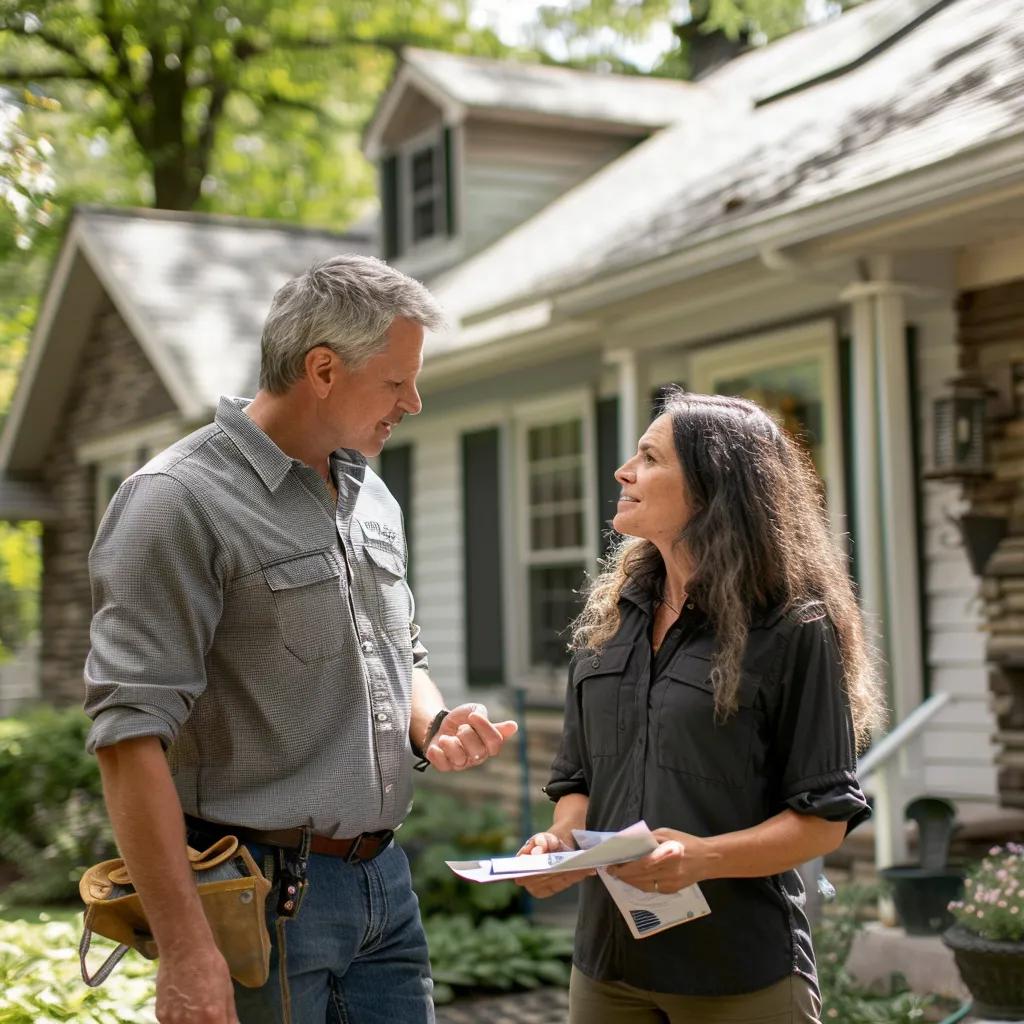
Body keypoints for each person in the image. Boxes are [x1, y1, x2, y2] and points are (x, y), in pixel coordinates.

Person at [83, 254, 517, 1024]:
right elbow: (128, 738)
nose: (413, 402)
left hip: (385, 884)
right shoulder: (175, 501)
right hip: (259, 898)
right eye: (396, 382)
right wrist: (186, 950)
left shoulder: (370, 494)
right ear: (322, 369)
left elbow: (399, 653)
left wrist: (436, 723)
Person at [517, 390, 883, 1024]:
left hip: (738, 975)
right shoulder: (611, 622)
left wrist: (702, 859)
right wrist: (560, 844)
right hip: (608, 973)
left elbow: (822, 819)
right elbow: (578, 780)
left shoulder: (793, 628)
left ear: (714, 490)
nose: (622, 472)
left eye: (649, 458)